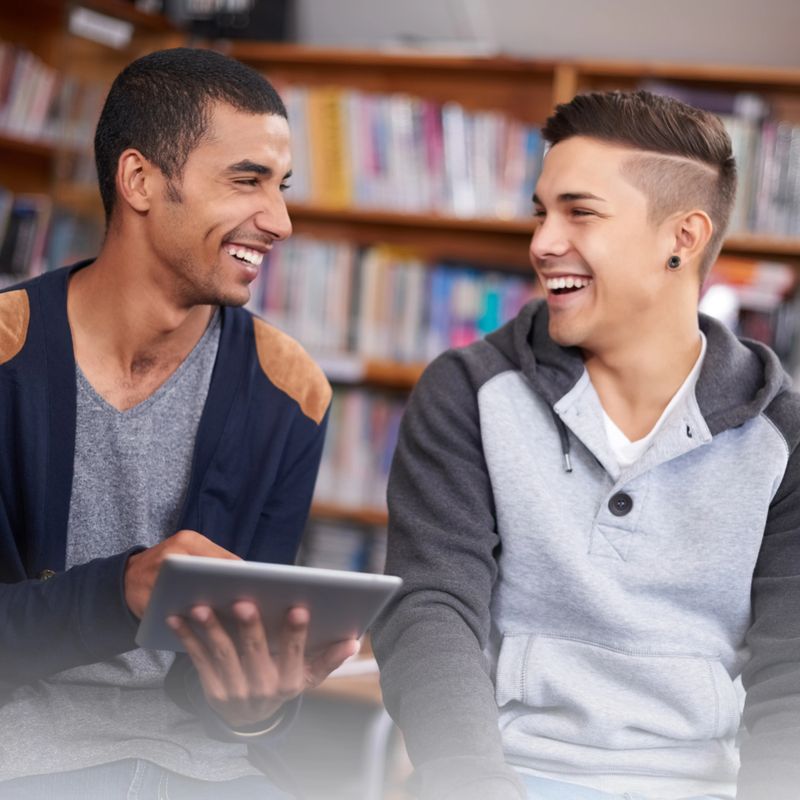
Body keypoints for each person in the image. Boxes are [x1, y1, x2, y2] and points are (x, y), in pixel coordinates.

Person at [372, 89, 800, 800]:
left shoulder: (783, 436)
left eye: (580, 213)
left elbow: (793, 675)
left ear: (682, 239)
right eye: (543, 211)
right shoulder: (467, 392)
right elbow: (428, 616)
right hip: (501, 778)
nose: (542, 242)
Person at [0, 47, 357, 798]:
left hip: (205, 772)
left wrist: (256, 703)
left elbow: (222, 700)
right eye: (247, 181)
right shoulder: (6, 355)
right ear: (140, 181)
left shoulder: (288, 393)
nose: (281, 221)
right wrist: (122, 590)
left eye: (282, 187)